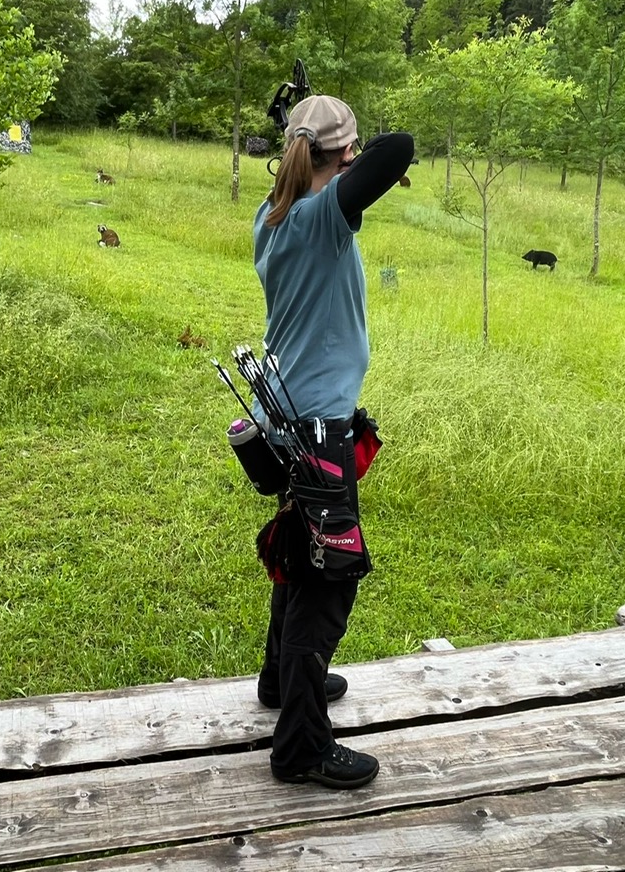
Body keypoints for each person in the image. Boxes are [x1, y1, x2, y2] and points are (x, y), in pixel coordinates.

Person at [252, 94, 414, 790]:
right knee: (327, 578)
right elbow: (400, 147)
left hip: (287, 412)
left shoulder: (274, 214)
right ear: (339, 154)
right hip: (317, 421)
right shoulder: (322, 217)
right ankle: (302, 746)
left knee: (298, 548)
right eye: (347, 150)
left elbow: (360, 160)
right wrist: (352, 151)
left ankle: (276, 680)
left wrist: (330, 147)